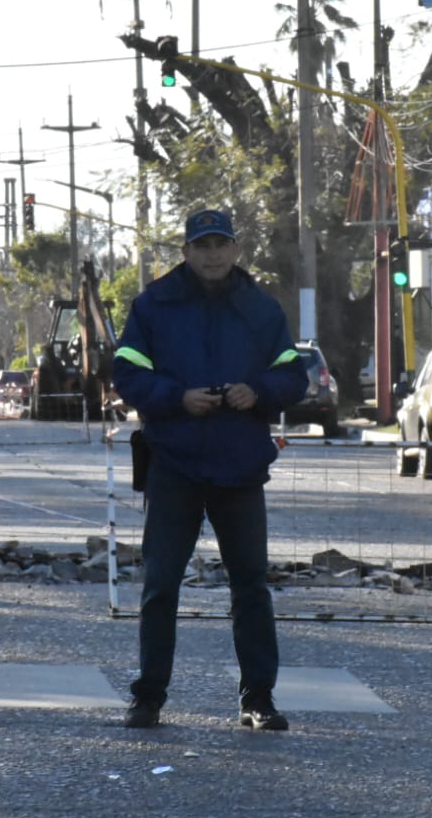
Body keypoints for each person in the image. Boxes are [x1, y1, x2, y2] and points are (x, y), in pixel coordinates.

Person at [112, 208, 309, 731]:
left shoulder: (261, 309)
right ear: (186, 252)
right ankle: (148, 696)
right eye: (203, 245)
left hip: (240, 466)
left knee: (251, 587)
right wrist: (177, 398)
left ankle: (258, 699)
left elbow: (293, 376)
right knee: (160, 585)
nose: (213, 254)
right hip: (174, 463)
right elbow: (126, 371)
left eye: (222, 244)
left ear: (236, 249)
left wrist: (258, 391)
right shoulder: (153, 305)